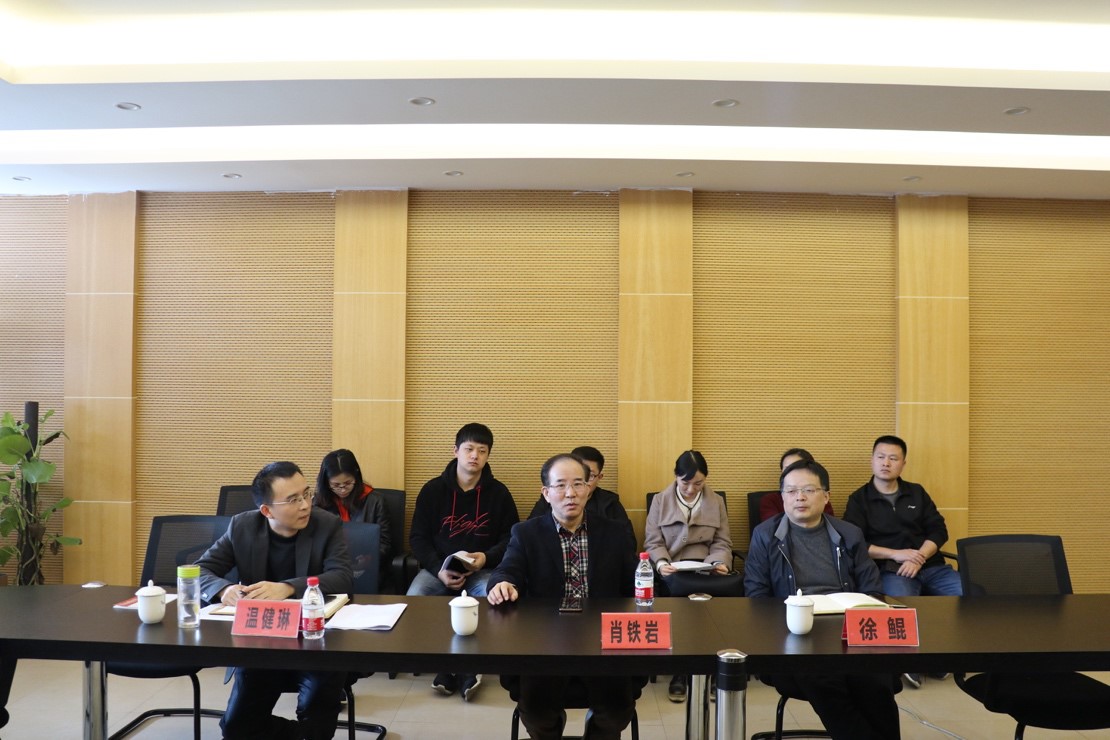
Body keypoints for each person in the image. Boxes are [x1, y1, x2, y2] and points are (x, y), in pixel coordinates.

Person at [744, 459, 901, 740]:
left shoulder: (849, 534)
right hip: (793, 638)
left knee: (875, 678)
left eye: (808, 490)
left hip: (847, 634)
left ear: (826, 496)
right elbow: (756, 598)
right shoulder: (765, 536)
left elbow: (872, 589)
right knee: (822, 677)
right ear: (782, 497)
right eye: (791, 491)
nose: (799, 497)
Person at [196, 461, 353, 740]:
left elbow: (342, 577)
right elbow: (199, 571)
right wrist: (224, 589)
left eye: (307, 494)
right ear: (267, 511)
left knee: (316, 722)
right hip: (262, 643)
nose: (305, 505)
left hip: (316, 642)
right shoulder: (242, 526)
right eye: (293, 500)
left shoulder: (326, 524)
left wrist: (288, 588)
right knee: (236, 729)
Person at [488, 454, 640, 740]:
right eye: (560, 485)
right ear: (546, 493)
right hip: (545, 644)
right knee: (537, 715)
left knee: (617, 712)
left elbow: (635, 583)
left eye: (578, 484)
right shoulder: (526, 533)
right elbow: (507, 569)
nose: (570, 493)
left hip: (603, 643)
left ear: (589, 488)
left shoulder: (614, 532)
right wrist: (502, 583)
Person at [407, 422, 520, 701]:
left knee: (494, 599)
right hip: (437, 569)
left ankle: (470, 666)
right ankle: (445, 665)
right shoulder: (433, 490)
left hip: (482, 569)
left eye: (482, 451)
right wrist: (438, 569)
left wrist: (486, 557)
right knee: (415, 598)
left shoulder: (499, 493)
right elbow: (418, 538)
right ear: (455, 451)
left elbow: (511, 537)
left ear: (488, 455)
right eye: (469, 449)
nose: (474, 456)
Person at [842, 434, 962, 689]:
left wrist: (918, 557)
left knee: (965, 595)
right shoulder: (859, 499)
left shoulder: (916, 493)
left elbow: (939, 530)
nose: (886, 463)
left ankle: (941, 656)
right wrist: (896, 554)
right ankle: (910, 661)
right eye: (881, 457)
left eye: (893, 458)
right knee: (900, 606)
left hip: (930, 564)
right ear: (872, 460)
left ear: (903, 464)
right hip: (891, 568)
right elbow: (856, 543)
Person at [644, 450, 738, 703]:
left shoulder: (716, 501)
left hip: (707, 568)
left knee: (715, 608)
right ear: (676, 476)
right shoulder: (660, 501)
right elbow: (653, 541)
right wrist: (661, 563)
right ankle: (681, 671)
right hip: (673, 570)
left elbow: (722, 541)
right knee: (681, 605)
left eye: (698, 483)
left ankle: (713, 668)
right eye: (685, 483)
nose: (691, 489)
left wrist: (718, 562)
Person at [527, 445, 634, 550]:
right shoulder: (550, 499)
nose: (570, 493)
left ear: (599, 477)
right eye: (561, 485)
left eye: (589, 476)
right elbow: (531, 537)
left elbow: (628, 542)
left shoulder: (609, 502)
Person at [314, 448, 393, 564]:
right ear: (326, 482)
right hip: (330, 563)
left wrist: (368, 558)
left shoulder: (375, 501)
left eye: (348, 483)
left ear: (356, 476)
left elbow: (384, 543)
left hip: (365, 562)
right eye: (336, 485)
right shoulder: (318, 502)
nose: (342, 490)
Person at [759, 448, 834, 521]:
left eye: (799, 467)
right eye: (788, 469)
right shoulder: (770, 500)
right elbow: (773, 526)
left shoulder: (819, 498)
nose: (800, 497)